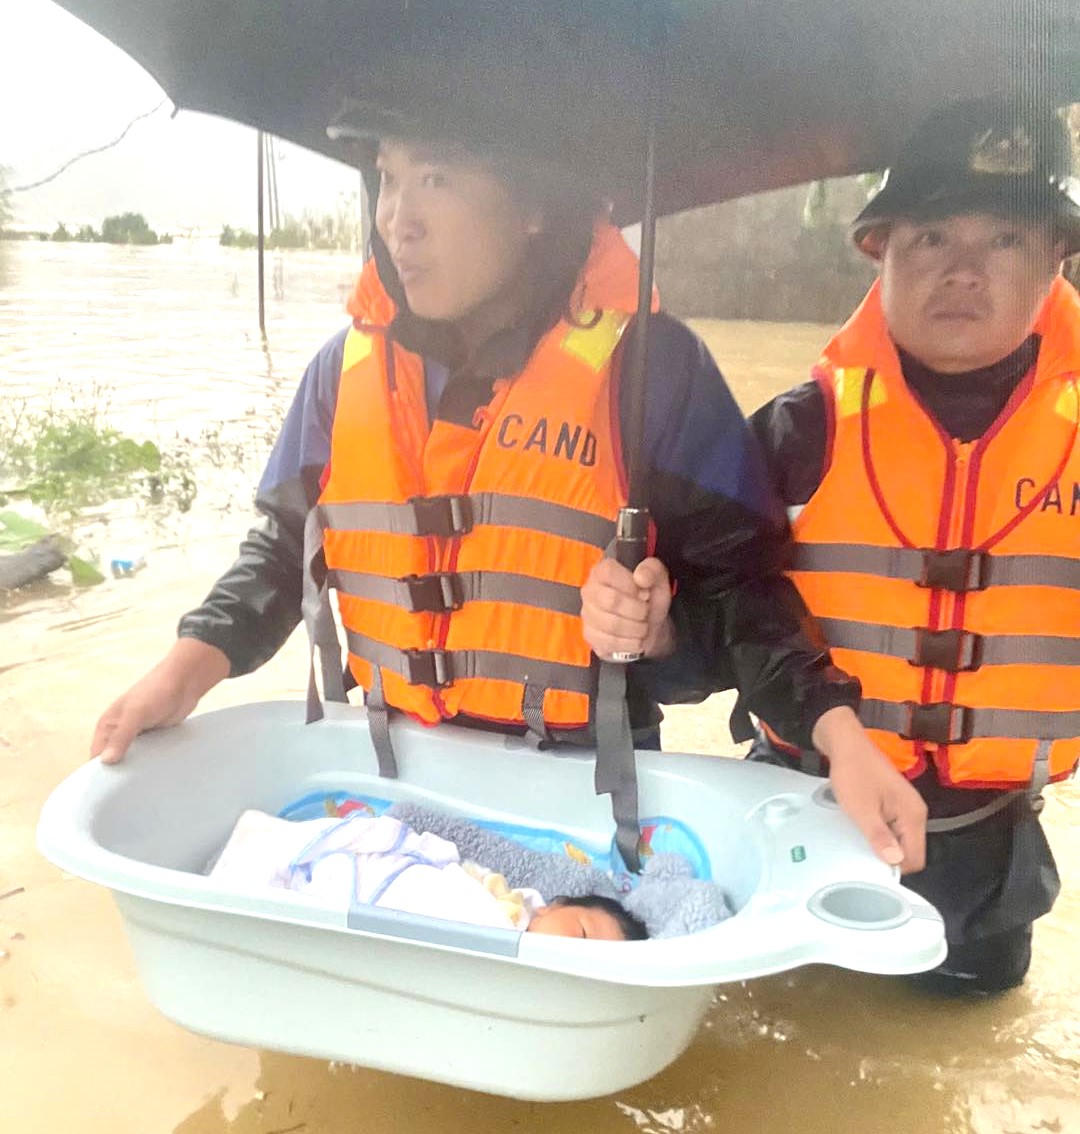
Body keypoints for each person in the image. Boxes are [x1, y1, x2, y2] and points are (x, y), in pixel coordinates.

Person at [90, 102, 925, 872]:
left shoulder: (653, 371)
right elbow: (281, 555)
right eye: (389, 175)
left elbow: (742, 604)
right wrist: (181, 673)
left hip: (579, 809)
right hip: (389, 792)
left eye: (437, 178)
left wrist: (673, 639)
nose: (397, 219)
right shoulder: (339, 372)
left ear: (532, 207)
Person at [590, 96, 1078, 992]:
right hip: (792, 827)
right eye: (931, 237)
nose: (964, 270)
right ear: (878, 248)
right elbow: (702, 654)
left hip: (987, 874)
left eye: (1004, 241)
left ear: (1058, 255)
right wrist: (651, 631)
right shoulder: (790, 435)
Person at [209, 809, 646, 939]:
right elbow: (456, 872)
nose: (576, 949)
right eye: (584, 934)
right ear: (556, 905)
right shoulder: (508, 902)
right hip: (382, 879)